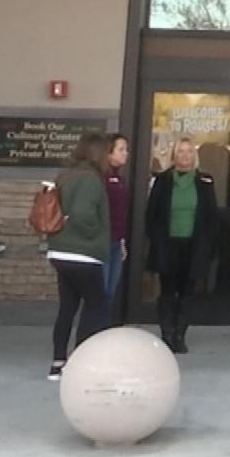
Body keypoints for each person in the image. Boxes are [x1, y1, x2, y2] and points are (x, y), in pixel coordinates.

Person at [144, 138, 220, 354]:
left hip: (194, 246)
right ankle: (167, 333)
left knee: (187, 292)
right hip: (168, 245)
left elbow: (212, 217)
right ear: (174, 155)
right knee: (168, 290)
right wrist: (157, 240)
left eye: (189, 152)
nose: (185, 156)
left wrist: (208, 245)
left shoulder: (204, 181)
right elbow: (152, 214)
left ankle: (180, 334)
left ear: (194, 156)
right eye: (181, 151)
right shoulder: (163, 180)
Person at [45, 135, 110, 380]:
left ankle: (57, 362)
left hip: (59, 250)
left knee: (67, 307)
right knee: (96, 306)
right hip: (83, 253)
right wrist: (95, 233)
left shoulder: (65, 176)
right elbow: (83, 213)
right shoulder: (91, 180)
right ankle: (81, 362)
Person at [101, 133, 132, 327]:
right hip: (102, 242)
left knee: (110, 290)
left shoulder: (118, 179)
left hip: (115, 241)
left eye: (126, 150)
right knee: (101, 291)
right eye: (121, 149)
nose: (125, 153)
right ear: (108, 152)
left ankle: (104, 329)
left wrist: (121, 242)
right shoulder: (100, 178)